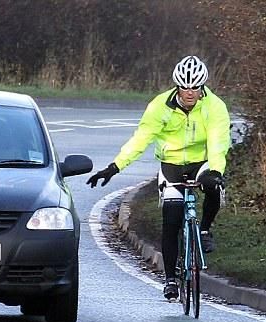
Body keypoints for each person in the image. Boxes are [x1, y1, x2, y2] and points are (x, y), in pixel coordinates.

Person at [86, 55, 231, 300]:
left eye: (195, 87)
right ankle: (171, 280)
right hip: (171, 164)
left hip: (202, 161)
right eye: (185, 87)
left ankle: (204, 230)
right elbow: (140, 140)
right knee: (171, 218)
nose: (190, 92)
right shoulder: (159, 106)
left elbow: (219, 143)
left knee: (214, 188)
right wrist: (115, 166)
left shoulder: (214, 107)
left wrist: (215, 172)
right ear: (177, 86)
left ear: (202, 87)